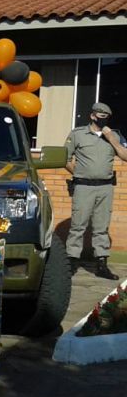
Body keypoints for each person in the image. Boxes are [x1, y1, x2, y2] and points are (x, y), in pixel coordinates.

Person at [64, 102, 127, 279]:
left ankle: (101, 266)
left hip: (105, 187)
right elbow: (65, 157)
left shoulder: (114, 135)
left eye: (106, 117)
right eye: (100, 116)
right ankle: (72, 263)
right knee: (78, 226)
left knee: (101, 227)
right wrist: (78, 172)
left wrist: (112, 139)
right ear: (93, 116)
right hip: (83, 186)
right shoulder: (78, 134)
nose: (103, 119)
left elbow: (125, 156)